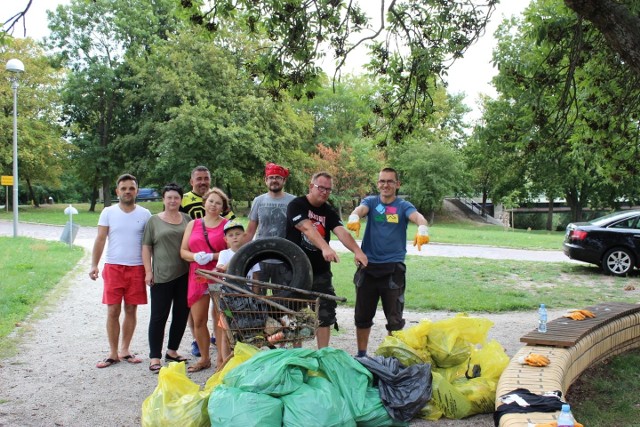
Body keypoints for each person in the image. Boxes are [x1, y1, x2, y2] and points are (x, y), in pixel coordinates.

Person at [346, 167, 429, 357]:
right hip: (368, 266)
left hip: (393, 269)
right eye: (382, 181)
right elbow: (361, 209)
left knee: (394, 319)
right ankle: (361, 355)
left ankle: (393, 357)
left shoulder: (403, 205)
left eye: (390, 181)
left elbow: (417, 217)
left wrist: (423, 228)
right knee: (362, 316)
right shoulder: (371, 202)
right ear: (378, 184)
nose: (386, 185)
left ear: (397, 184)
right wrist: (354, 216)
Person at [286, 171, 368, 348]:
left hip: (320, 271)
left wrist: (357, 251)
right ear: (311, 186)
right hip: (296, 270)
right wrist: (325, 247)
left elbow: (341, 231)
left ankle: (323, 354)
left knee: (325, 313)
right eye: (320, 187)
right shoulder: (296, 204)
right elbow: (306, 227)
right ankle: (295, 356)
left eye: (328, 189)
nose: (324, 192)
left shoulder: (328, 210)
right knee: (294, 313)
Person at [89, 174, 152, 368]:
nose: (127, 192)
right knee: (113, 310)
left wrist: (151, 269)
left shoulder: (145, 214)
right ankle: (113, 352)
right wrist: (94, 264)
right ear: (117, 191)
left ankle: (125, 350)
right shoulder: (108, 212)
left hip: (137, 268)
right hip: (114, 267)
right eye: (123, 188)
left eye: (131, 188)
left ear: (137, 191)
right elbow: (100, 239)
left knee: (131, 309)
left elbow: (150, 244)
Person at [142, 183, 192, 373]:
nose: (172, 201)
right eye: (169, 197)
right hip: (161, 276)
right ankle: (155, 356)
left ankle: (172, 351)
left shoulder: (187, 219)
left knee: (181, 315)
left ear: (181, 200)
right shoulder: (154, 221)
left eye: (176, 197)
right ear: (163, 199)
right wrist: (148, 271)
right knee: (158, 316)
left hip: (185, 275)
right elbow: (146, 247)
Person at [180, 187, 230, 372]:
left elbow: (231, 252)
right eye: (211, 201)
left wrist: (212, 257)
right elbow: (183, 251)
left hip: (218, 275)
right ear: (205, 202)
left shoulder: (227, 225)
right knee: (198, 319)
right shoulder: (193, 224)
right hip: (198, 275)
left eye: (218, 203)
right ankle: (204, 358)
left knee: (219, 318)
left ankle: (222, 360)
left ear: (223, 207)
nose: (213, 205)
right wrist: (195, 257)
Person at [244, 162, 295, 293]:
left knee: (283, 301)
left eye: (278, 177)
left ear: (284, 180)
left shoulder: (293, 201)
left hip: (284, 259)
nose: (274, 180)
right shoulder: (258, 201)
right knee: (257, 299)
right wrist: (241, 253)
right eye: (271, 177)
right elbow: (250, 231)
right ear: (266, 180)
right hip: (260, 258)